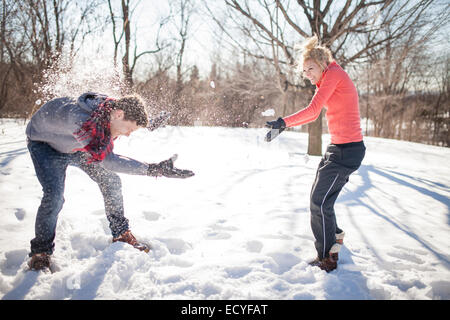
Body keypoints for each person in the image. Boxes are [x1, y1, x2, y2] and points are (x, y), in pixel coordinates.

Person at [26, 92, 194, 271]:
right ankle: (40, 253)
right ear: (118, 115)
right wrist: (153, 169)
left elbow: (129, 115)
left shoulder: (110, 109)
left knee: (111, 181)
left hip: (77, 147)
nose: (128, 135)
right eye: (130, 130)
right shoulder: (81, 122)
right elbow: (109, 161)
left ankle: (121, 233)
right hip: (45, 145)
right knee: (55, 196)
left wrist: (149, 123)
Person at [265, 36, 366, 272]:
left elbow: (312, 112)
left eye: (310, 69)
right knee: (320, 200)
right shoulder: (329, 78)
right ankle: (336, 236)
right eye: (304, 71)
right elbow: (315, 112)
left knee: (318, 203)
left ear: (322, 63)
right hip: (338, 148)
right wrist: (283, 124)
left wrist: (283, 122)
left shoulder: (333, 74)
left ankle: (327, 259)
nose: (307, 75)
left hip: (347, 151)